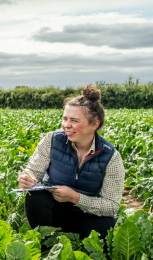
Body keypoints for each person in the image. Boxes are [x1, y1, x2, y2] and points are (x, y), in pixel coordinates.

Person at [17, 85, 124, 240]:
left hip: (86, 213)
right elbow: (33, 170)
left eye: (74, 120)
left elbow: (111, 206)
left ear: (94, 124)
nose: (66, 125)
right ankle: (45, 245)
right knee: (35, 197)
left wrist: (75, 198)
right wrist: (26, 178)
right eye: (65, 119)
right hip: (54, 209)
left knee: (106, 227)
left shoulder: (111, 156)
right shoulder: (52, 140)